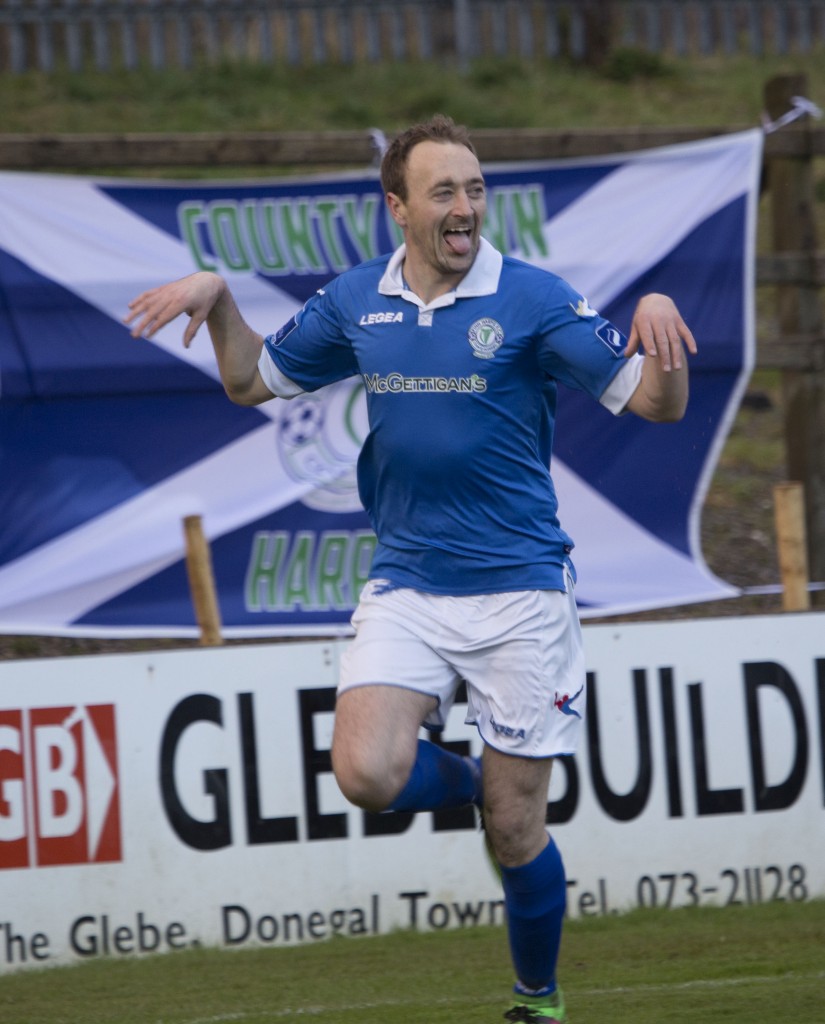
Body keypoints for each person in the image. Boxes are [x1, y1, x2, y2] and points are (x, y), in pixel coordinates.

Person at [125, 114, 696, 1023]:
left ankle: (537, 1001)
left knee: (517, 830)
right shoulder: (359, 301)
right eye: (444, 191)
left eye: (474, 189)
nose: (465, 207)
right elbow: (249, 382)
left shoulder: (534, 300)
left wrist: (659, 332)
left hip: (520, 594)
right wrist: (219, 299)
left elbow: (655, 405)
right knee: (364, 772)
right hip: (409, 583)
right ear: (397, 208)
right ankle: (472, 779)